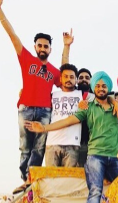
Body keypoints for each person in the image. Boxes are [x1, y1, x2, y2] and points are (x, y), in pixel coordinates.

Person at [24, 71, 118, 203]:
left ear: (109, 88)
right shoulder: (88, 107)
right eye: (97, 86)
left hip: (115, 157)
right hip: (95, 156)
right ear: (93, 89)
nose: (101, 88)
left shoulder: (116, 109)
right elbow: (68, 121)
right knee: (95, 191)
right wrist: (44, 128)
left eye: (104, 86)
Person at [0, 0, 73, 192]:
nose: (43, 48)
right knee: (25, 146)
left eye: (46, 46)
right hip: (25, 108)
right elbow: (12, 35)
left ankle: (31, 177)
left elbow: (65, 70)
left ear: (50, 49)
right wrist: (0, 12)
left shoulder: (52, 71)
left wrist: (67, 47)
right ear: (35, 47)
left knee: (39, 147)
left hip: (44, 111)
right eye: (40, 45)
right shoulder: (26, 59)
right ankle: (26, 178)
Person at [45, 64, 94, 167]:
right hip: (52, 143)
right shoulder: (53, 95)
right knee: (51, 179)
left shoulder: (82, 95)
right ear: (61, 79)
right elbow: (38, 98)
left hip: (73, 144)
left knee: (69, 180)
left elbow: (103, 97)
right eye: (66, 76)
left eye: (72, 77)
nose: (69, 79)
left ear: (76, 80)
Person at [77, 68, 92, 166]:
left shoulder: (96, 96)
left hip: (91, 142)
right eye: (81, 77)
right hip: (74, 141)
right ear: (77, 80)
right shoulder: (72, 94)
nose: (84, 80)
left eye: (87, 78)